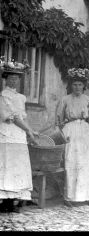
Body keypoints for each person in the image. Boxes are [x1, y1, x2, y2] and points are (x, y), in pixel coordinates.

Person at [56, 67, 89, 206]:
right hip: (70, 131)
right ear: (71, 86)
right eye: (75, 84)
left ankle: (87, 195)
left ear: (84, 86)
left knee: (87, 163)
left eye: (80, 84)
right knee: (71, 162)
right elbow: (59, 120)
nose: (77, 87)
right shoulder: (65, 100)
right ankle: (70, 197)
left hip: (85, 131)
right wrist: (63, 134)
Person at [0, 60, 37, 213]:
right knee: (7, 164)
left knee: (17, 165)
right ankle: (5, 201)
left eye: (16, 78)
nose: (13, 80)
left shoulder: (21, 97)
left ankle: (14, 200)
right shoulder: (3, 95)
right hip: (7, 133)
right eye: (11, 78)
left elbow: (22, 116)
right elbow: (13, 117)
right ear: (6, 79)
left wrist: (30, 131)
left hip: (19, 134)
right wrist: (28, 130)